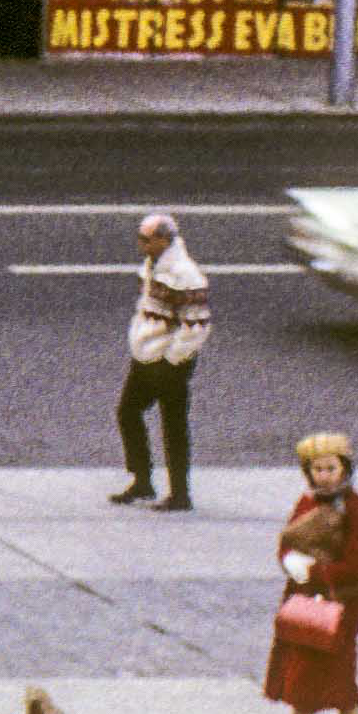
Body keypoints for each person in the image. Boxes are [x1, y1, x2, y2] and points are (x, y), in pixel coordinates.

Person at [255, 431, 358, 714]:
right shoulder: (308, 502)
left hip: (340, 603)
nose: (325, 475)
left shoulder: (355, 509)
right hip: (308, 598)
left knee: (308, 676)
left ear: (344, 468)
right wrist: (289, 561)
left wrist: (317, 572)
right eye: (318, 469)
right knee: (339, 677)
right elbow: (289, 540)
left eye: (331, 467)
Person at [112, 211, 209, 510]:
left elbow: (197, 326)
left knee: (173, 424)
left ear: (164, 240)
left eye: (146, 239)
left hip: (168, 361)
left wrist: (172, 361)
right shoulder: (153, 265)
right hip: (147, 355)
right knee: (128, 412)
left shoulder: (185, 275)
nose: (140, 243)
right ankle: (143, 480)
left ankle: (180, 493)